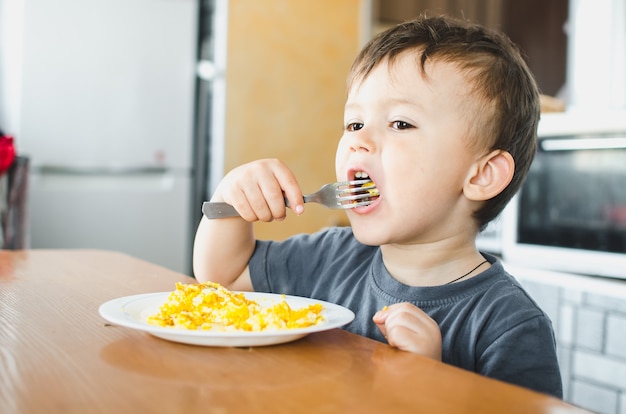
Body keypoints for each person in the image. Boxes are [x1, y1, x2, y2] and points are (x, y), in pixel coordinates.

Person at [193, 15, 562, 398]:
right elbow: (222, 279)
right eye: (354, 124)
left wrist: (431, 385)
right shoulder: (330, 256)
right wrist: (230, 198)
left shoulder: (510, 327)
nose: (358, 141)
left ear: (482, 175)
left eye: (400, 123)